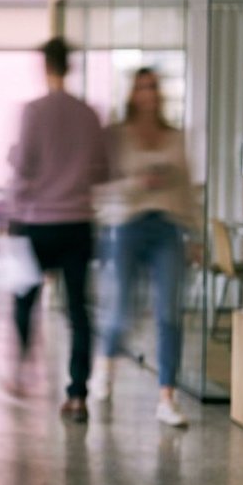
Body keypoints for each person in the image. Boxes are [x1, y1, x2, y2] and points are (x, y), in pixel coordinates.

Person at [7, 37, 108, 422]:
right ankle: (78, 394)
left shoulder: (34, 112)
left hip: (36, 223)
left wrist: (9, 217)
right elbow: (102, 169)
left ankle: (22, 370)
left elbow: (24, 167)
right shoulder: (88, 114)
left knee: (25, 300)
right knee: (79, 310)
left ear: (45, 66)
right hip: (78, 223)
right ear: (70, 66)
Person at [96, 68, 195, 427]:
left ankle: (167, 396)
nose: (148, 94)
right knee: (123, 307)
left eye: (153, 87)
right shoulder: (118, 136)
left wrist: (194, 235)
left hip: (168, 228)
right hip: (128, 225)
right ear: (132, 93)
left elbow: (184, 188)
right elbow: (104, 186)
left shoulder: (175, 136)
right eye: (141, 88)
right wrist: (141, 182)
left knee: (169, 313)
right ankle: (105, 364)